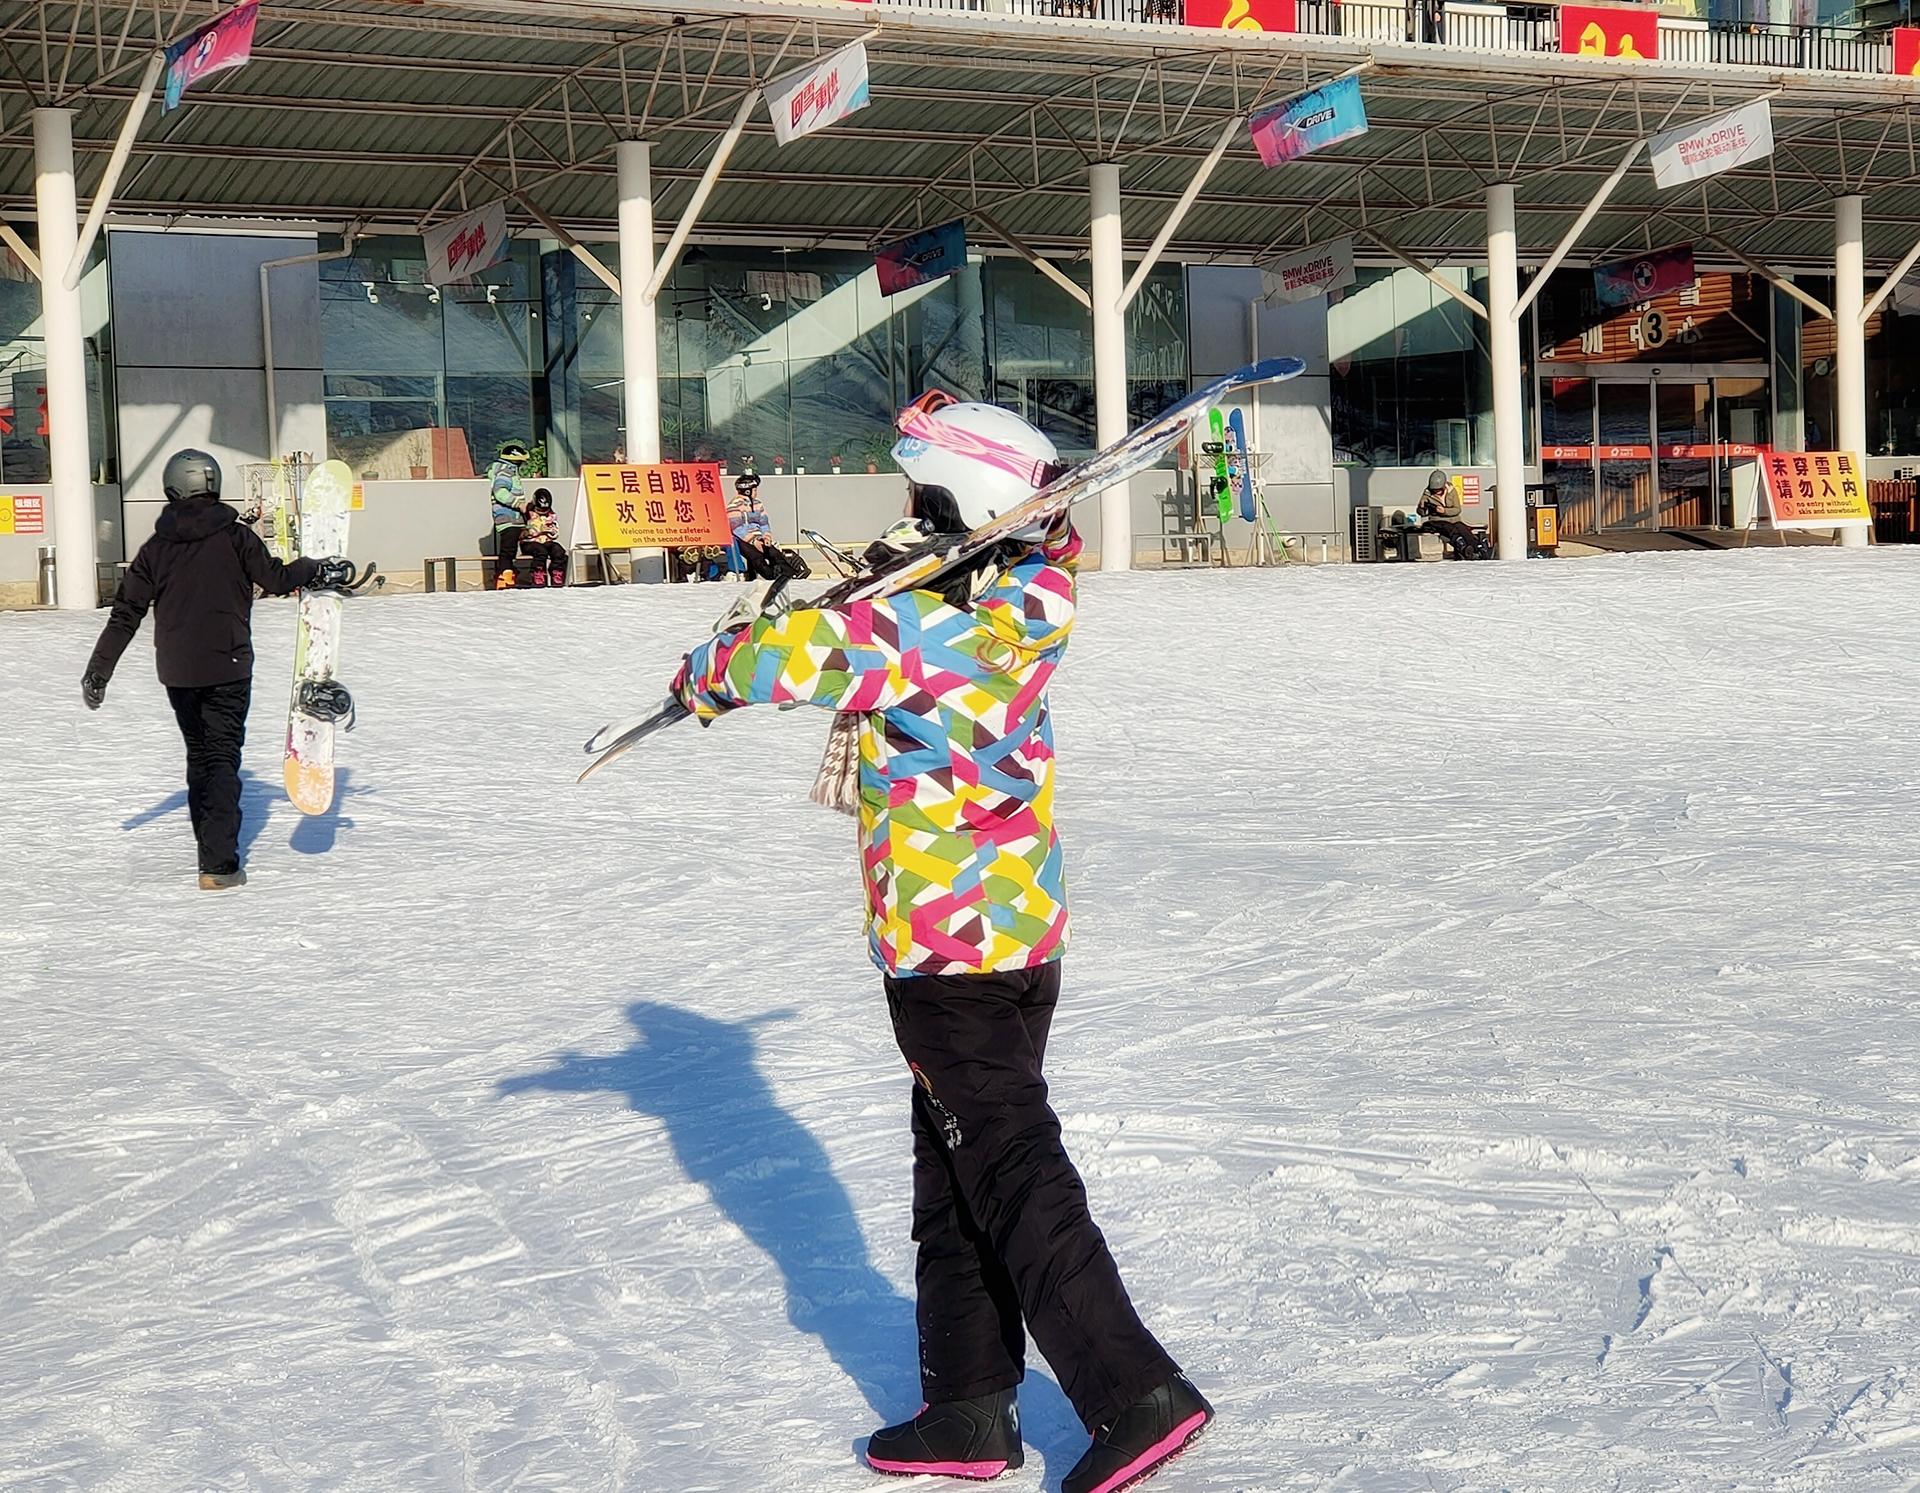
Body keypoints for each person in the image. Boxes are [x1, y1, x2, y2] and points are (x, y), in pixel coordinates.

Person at [671, 391, 1213, 1493]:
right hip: (1019, 931)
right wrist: (941, 555)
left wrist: (705, 669)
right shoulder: (1028, 593)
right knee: (957, 1165)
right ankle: (968, 1404)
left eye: (923, 495)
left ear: (961, 500)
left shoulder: (917, 632)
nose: (911, 515)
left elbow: (782, 654)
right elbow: (942, 593)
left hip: (946, 949)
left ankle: (1134, 1390)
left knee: (1008, 1161)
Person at [80, 448, 347, 890]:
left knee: (199, 757)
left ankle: (210, 853)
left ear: (171, 488)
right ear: (213, 485)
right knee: (221, 760)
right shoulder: (237, 537)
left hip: (178, 673)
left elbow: (126, 612)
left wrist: (98, 671)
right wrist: (313, 569)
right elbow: (277, 579)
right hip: (229, 665)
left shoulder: (155, 549)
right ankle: (219, 866)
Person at [728, 473, 805, 582]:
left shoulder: (758, 504)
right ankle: (771, 576)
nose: (756, 492)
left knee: (774, 553)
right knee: (756, 556)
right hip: (741, 539)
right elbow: (736, 528)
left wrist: (766, 537)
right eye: (754, 490)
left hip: (758, 536)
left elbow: (764, 523)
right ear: (747, 491)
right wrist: (753, 541)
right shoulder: (734, 505)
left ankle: (790, 573)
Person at [1416, 467, 1490, 560]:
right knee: (1450, 529)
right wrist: (1421, 508)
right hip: (1437, 520)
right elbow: (1422, 513)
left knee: (1463, 529)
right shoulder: (1427, 494)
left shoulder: (1451, 491)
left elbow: (1457, 509)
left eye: (1438, 490)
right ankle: (1462, 546)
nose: (1436, 492)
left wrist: (1445, 511)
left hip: (1454, 519)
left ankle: (1477, 549)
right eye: (1434, 490)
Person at [489, 440, 531, 588]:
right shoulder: (506, 472)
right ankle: (504, 578)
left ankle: (509, 574)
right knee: (508, 549)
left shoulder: (507, 470)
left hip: (512, 519)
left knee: (511, 548)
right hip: (508, 518)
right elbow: (500, 492)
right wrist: (519, 504)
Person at [518, 488, 568, 587]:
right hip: (530, 542)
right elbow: (523, 532)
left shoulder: (551, 515)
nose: (542, 513)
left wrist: (551, 531)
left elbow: (556, 532)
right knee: (540, 551)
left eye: (545, 510)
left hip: (546, 541)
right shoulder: (526, 513)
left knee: (558, 550)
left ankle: (556, 572)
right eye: (539, 510)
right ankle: (538, 573)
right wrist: (538, 530)